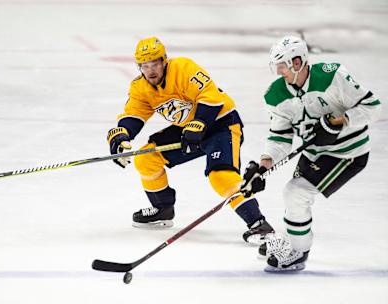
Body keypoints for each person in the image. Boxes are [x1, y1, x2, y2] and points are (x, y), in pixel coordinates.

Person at [107, 36, 274, 243]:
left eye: (155, 64)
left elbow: (211, 96)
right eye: (144, 65)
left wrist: (200, 123)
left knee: (220, 177)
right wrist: (121, 134)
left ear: (164, 60)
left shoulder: (183, 68)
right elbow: (134, 114)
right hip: (189, 130)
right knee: (146, 159)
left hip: (221, 124)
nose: (150, 71)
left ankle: (259, 224)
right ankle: (163, 208)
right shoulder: (140, 87)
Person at [241, 36, 382, 271]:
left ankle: (297, 251)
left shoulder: (332, 75)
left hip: (347, 153)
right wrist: (263, 166)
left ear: (297, 62)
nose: (278, 71)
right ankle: (290, 240)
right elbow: (280, 137)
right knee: (293, 195)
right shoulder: (274, 94)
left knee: (296, 193)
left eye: (282, 65)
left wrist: (341, 121)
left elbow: (372, 106)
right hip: (314, 150)